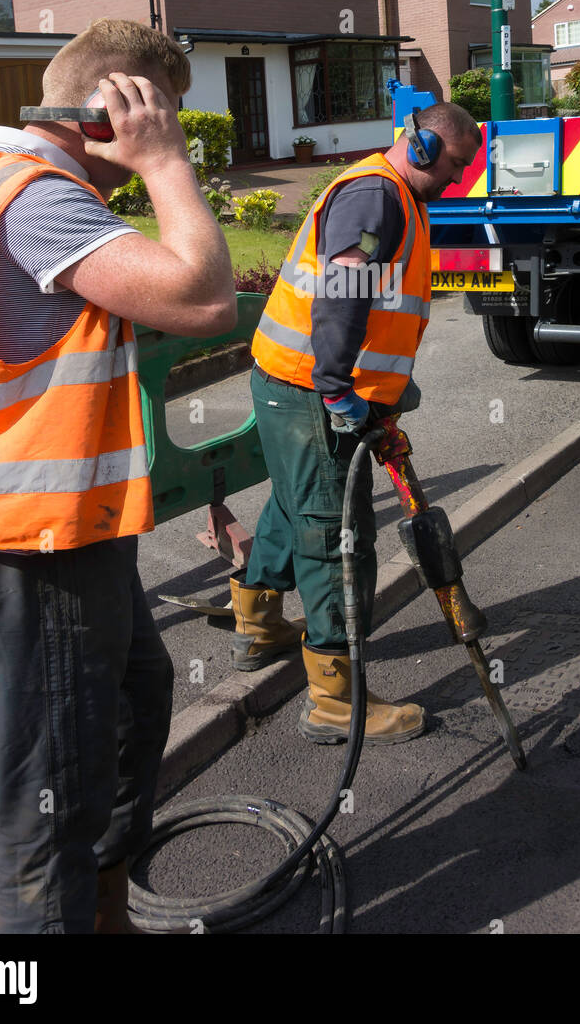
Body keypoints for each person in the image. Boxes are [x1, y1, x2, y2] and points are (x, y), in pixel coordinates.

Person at [0, 18, 236, 934]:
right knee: (54, 791)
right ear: (119, 107)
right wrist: (167, 164)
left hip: (51, 525)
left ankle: (105, 915)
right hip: (25, 537)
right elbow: (203, 295)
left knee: (133, 701)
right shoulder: (40, 201)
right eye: (163, 110)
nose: (162, 132)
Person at [230, 101, 481, 743]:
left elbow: (380, 308)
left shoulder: (396, 197)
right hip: (313, 386)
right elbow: (342, 295)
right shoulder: (377, 198)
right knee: (335, 532)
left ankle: (258, 624)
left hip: (302, 382)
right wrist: (340, 391)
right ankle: (336, 701)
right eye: (453, 165)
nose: (456, 180)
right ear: (422, 146)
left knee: (297, 506)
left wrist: (383, 399)